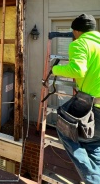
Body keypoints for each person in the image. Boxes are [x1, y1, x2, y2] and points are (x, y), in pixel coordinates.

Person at [52, 13, 100, 184]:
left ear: (77, 31)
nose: (73, 35)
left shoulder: (80, 43)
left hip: (92, 106)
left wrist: (56, 70)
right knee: (94, 143)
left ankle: (93, 180)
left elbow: (78, 70)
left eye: (73, 31)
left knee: (65, 129)